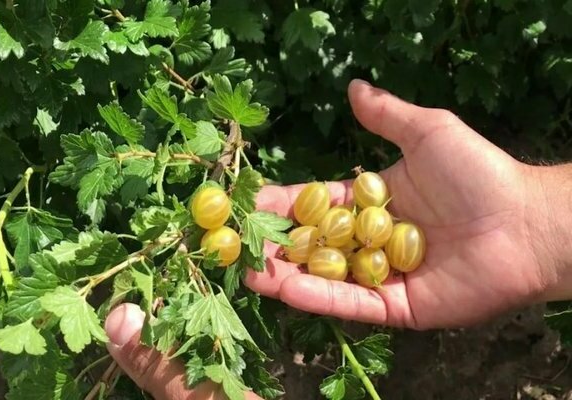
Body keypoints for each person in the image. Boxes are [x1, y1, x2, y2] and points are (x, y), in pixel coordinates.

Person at [103, 79, 572, 399]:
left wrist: (532, 220)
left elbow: (347, 238)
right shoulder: (351, 232)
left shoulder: (361, 235)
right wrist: (532, 220)